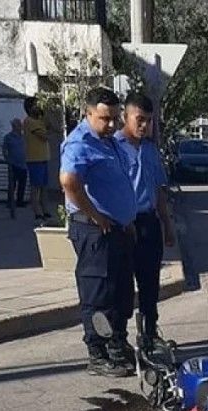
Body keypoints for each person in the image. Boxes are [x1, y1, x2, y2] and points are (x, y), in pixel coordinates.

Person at [60, 87, 137, 378]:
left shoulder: (108, 142)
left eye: (115, 118)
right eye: (105, 119)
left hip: (117, 229)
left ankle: (117, 343)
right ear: (88, 113)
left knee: (120, 292)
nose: (112, 124)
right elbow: (69, 182)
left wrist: (124, 218)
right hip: (93, 231)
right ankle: (98, 352)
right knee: (98, 294)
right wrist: (96, 215)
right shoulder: (79, 143)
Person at [115, 93, 175, 352]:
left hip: (149, 223)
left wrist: (167, 224)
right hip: (124, 225)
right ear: (124, 117)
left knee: (150, 284)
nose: (144, 126)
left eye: (149, 121)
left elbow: (158, 189)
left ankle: (150, 335)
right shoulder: (114, 148)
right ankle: (119, 339)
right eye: (139, 119)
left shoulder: (150, 150)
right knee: (123, 286)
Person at [23, 96, 51, 221]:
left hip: (44, 157)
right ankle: (37, 211)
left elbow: (51, 127)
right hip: (34, 159)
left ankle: (45, 210)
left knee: (44, 186)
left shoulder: (39, 121)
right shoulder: (29, 121)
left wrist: (45, 116)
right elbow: (43, 136)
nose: (38, 107)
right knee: (36, 187)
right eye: (35, 105)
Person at [1, 118, 27, 208]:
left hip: (23, 164)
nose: (20, 127)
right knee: (12, 184)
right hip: (13, 164)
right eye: (18, 125)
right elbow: (4, 149)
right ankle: (10, 202)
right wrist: (7, 159)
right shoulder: (8, 137)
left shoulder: (24, 137)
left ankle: (20, 202)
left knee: (22, 184)